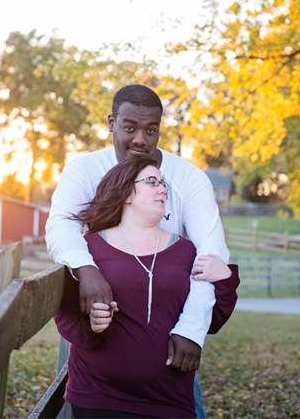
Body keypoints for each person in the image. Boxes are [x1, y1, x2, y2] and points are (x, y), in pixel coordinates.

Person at [46, 84, 230, 417]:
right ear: (111, 122)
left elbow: (211, 256)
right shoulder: (84, 169)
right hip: (102, 355)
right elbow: (61, 227)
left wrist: (191, 329)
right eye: (129, 127)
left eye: (151, 129)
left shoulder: (188, 178)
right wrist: (87, 270)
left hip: (167, 350)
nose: (140, 139)